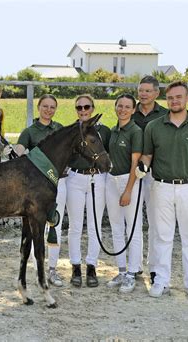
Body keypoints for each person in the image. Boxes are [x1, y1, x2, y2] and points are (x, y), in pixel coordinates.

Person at [136, 81, 188, 300]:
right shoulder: (154, 126)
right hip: (161, 186)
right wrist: (142, 167)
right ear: (166, 99)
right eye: (171, 97)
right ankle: (161, 281)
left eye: (179, 97)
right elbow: (147, 155)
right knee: (162, 236)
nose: (175, 101)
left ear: (187, 98)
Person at [13, 94, 65, 287]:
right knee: (36, 229)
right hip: (36, 190)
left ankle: (53, 268)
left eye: (52, 107)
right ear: (39, 107)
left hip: (58, 182)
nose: (48, 110)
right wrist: (15, 151)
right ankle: (38, 268)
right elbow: (19, 149)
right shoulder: (30, 131)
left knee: (55, 225)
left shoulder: (59, 129)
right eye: (45, 106)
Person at [64, 94, 110, 288]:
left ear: (92, 108)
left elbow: (107, 153)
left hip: (97, 178)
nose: (83, 111)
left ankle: (91, 265)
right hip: (75, 178)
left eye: (86, 107)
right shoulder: (71, 132)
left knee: (94, 225)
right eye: (79, 108)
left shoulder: (103, 131)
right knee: (75, 226)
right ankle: (75, 265)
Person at [105, 94, 144, 293]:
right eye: (119, 106)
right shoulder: (113, 130)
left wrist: (128, 190)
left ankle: (132, 273)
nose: (122, 109)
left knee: (133, 229)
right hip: (111, 181)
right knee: (116, 227)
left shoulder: (135, 131)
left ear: (133, 109)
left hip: (129, 182)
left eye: (127, 106)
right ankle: (121, 270)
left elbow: (135, 163)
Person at [132, 75, 169, 284]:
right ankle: (135, 266)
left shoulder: (164, 114)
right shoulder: (130, 111)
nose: (143, 94)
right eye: (141, 90)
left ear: (156, 93)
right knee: (134, 220)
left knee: (155, 223)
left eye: (147, 91)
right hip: (134, 174)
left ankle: (154, 268)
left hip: (156, 175)